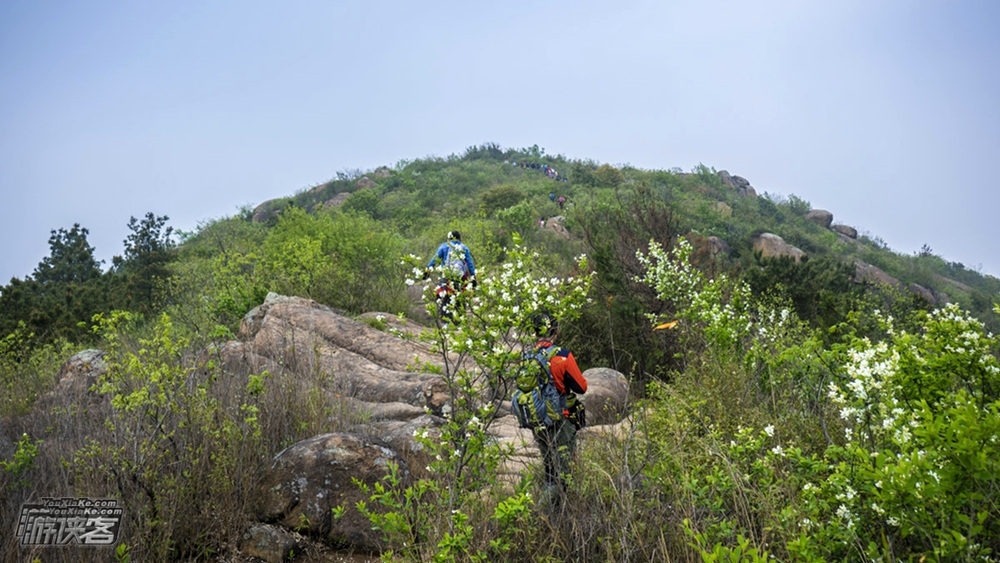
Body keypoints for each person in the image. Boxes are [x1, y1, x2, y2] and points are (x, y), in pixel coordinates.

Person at [529, 312, 587, 507]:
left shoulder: (527, 356)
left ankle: (550, 511)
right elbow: (582, 387)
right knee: (565, 471)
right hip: (560, 419)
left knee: (549, 469)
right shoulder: (562, 355)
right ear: (556, 331)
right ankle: (546, 511)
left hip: (536, 419)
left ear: (534, 331)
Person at [424, 231, 476, 322]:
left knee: (445, 296)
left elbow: (435, 259)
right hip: (460, 277)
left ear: (449, 238)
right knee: (460, 297)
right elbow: (470, 264)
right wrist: (473, 277)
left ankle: (445, 322)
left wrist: (428, 271)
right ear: (459, 239)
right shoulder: (464, 248)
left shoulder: (444, 246)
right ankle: (460, 321)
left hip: (447, 276)